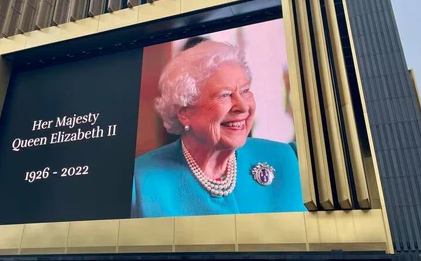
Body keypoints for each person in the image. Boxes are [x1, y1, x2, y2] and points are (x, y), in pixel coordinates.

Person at [131, 40, 305, 218]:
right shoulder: (140, 182)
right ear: (185, 112)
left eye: (245, 91)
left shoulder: (289, 158)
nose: (243, 106)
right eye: (225, 95)